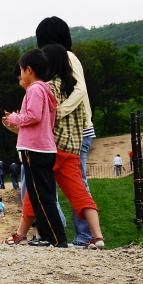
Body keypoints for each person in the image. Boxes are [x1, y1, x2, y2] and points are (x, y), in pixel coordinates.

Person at [5, 44, 104, 249]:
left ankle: (24, 234)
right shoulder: (75, 87)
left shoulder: (46, 87)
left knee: (35, 192)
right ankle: (97, 236)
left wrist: (15, 121)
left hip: (50, 147)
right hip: (73, 148)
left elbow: (39, 119)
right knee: (79, 193)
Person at [35, 16, 96, 246]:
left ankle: (83, 236)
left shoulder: (68, 57)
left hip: (77, 131)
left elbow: (79, 90)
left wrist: (56, 113)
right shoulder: (56, 58)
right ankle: (61, 232)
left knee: (74, 184)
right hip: (66, 132)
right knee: (67, 183)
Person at [2, 49, 68, 248]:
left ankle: (54, 239)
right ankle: (51, 237)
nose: (20, 76)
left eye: (21, 71)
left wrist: (13, 118)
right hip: (45, 148)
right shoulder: (47, 90)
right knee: (43, 194)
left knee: (41, 196)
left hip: (34, 150)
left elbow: (33, 116)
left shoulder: (35, 90)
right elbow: (45, 119)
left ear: (28, 70)